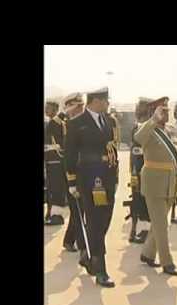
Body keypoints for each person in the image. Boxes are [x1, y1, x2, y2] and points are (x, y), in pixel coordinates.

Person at [65, 87, 118, 288]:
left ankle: (89, 252)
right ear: (96, 101)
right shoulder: (76, 123)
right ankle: (101, 270)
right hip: (89, 180)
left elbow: (111, 148)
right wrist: (71, 182)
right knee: (95, 221)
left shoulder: (107, 121)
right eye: (106, 101)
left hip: (107, 177)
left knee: (105, 218)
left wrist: (115, 176)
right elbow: (69, 155)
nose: (108, 104)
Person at [134, 97, 177, 276]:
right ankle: (167, 262)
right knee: (162, 225)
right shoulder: (146, 128)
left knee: (158, 223)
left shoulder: (169, 130)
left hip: (170, 181)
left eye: (167, 110)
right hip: (154, 182)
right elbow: (138, 138)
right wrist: (153, 120)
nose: (166, 113)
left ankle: (147, 253)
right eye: (163, 110)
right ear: (154, 112)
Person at [61, 92, 86, 253]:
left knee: (79, 209)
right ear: (71, 109)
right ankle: (78, 243)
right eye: (78, 107)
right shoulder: (70, 125)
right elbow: (69, 156)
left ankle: (70, 240)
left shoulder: (81, 124)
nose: (81, 109)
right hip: (73, 174)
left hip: (83, 173)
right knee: (77, 210)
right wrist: (71, 181)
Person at [128, 97, 154, 243]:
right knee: (138, 200)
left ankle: (147, 230)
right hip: (136, 170)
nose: (137, 109)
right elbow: (134, 151)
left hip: (149, 169)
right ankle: (141, 229)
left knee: (147, 200)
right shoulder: (136, 126)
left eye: (140, 107)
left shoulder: (152, 126)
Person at [44, 99, 67, 226]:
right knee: (52, 189)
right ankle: (52, 213)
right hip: (52, 160)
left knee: (56, 189)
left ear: (55, 109)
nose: (45, 110)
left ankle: (57, 216)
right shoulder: (55, 122)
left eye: (48, 108)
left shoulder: (55, 123)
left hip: (55, 160)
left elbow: (59, 144)